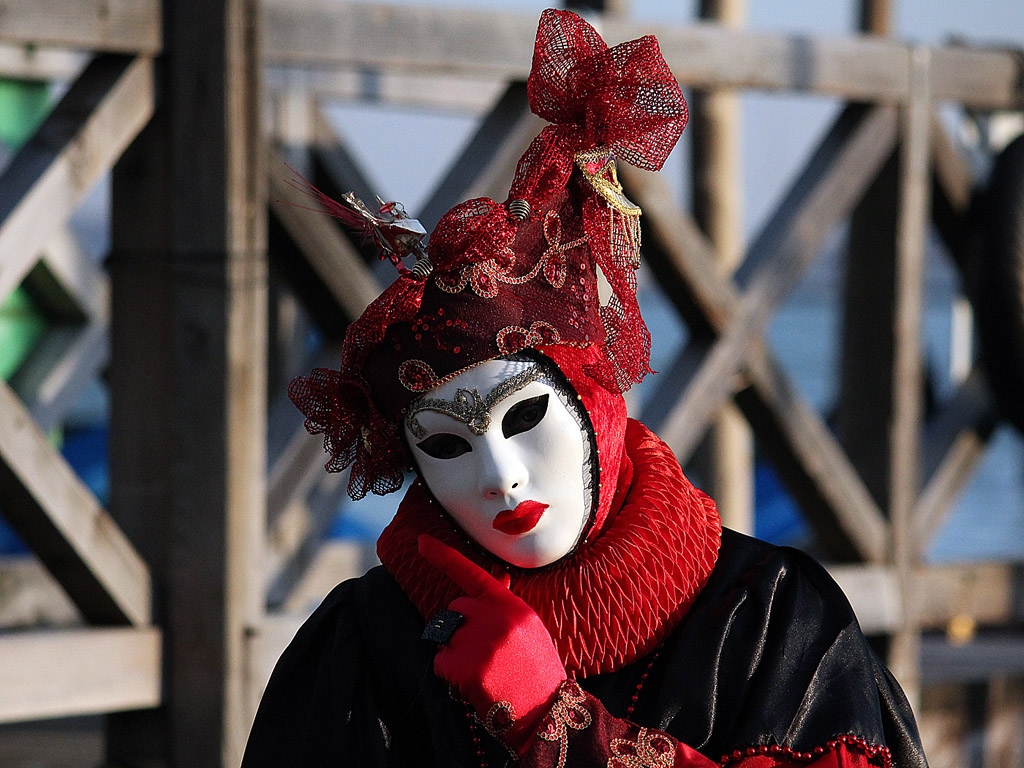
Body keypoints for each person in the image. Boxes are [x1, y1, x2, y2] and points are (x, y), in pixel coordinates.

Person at [242, 10, 928, 768]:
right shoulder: (369, 646)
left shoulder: (769, 620)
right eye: (445, 443)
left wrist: (554, 725)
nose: (500, 475)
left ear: (595, 401)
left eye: (525, 415)